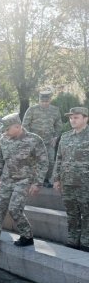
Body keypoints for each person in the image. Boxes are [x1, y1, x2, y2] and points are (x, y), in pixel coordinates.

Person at [0, 113, 48, 252]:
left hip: (25, 180)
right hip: (7, 179)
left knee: (14, 208)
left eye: (7, 128)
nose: (5, 131)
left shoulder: (34, 139)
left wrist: (37, 183)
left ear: (18, 126)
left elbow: (43, 162)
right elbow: (0, 158)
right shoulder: (4, 138)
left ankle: (27, 235)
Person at [53, 107, 89, 251]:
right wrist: (56, 179)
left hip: (86, 184)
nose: (72, 120)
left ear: (85, 118)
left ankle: (86, 242)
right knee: (72, 214)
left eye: (76, 117)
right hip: (67, 182)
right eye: (71, 118)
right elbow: (59, 158)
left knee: (87, 214)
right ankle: (73, 240)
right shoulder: (65, 136)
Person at [22, 90, 62, 187]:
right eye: (42, 101)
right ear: (39, 100)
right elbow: (25, 125)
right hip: (34, 142)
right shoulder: (32, 110)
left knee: (51, 161)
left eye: (46, 101)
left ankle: (46, 179)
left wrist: (55, 137)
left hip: (49, 142)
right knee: (33, 161)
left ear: (50, 100)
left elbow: (58, 125)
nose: (44, 103)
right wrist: (28, 138)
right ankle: (32, 179)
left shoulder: (55, 110)